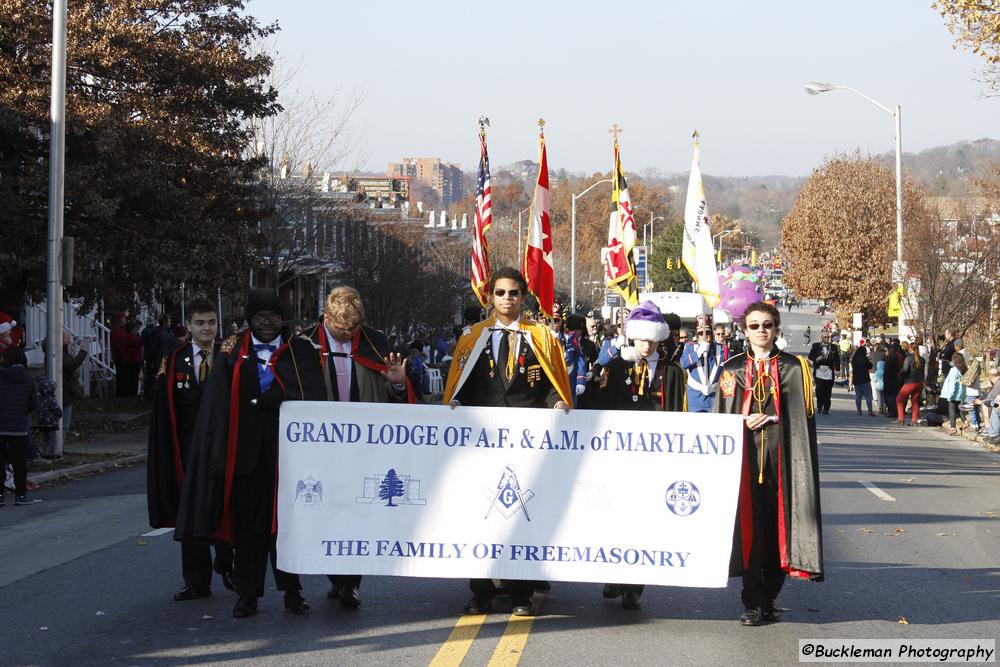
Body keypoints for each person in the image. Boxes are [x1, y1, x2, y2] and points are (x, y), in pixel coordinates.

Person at [270, 286, 413, 610]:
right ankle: (337, 576)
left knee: (359, 512)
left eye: (353, 328)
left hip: (364, 448)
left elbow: (398, 401)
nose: (348, 334)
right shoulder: (303, 345)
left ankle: (351, 583)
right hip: (321, 448)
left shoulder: (375, 342)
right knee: (327, 509)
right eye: (341, 328)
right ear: (326, 318)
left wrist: (396, 382)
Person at [443, 266, 572, 617]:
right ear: (490, 297)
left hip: (526, 444)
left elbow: (549, 386)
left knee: (521, 516)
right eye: (500, 292)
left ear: (523, 296)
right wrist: (454, 402)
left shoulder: (541, 338)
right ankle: (481, 591)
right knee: (480, 516)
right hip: (481, 443)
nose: (507, 299)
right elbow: (462, 386)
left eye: (514, 293)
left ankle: (521, 594)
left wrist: (557, 402)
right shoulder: (473, 338)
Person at [175, 289, 308, 619]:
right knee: (249, 529)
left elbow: (312, 395)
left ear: (282, 319)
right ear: (250, 320)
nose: (267, 322)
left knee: (285, 526)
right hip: (244, 457)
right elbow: (218, 405)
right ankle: (247, 595)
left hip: (287, 458)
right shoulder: (232, 354)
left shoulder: (299, 352)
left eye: (273, 316)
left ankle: (293, 591)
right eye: (260, 317)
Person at [713, 301, 823, 626]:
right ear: (744, 330)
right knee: (751, 532)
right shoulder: (732, 369)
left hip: (784, 462)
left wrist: (777, 421)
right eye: (754, 325)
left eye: (767, 325)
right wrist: (742, 422)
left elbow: (803, 422)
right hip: (745, 463)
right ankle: (753, 600)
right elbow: (722, 417)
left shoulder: (793, 368)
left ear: (776, 328)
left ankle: (770, 596)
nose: (761, 331)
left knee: (779, 532)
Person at [595, 301, 685, 610]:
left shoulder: (672, 372)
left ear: (660, 338)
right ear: (632, 337)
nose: (645, 346)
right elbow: (602, 407)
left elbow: (679, 414)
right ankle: (614, 575)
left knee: (644, 522)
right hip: (620, 457)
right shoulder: (619, 367)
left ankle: (634, 587)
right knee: (615, 518)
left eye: (651, 340)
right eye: (640, 339)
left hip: (655, 460)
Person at [147, 297, 235, 602]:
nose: (206, 328)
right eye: (200, 322)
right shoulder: (174, 358)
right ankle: (197, 581)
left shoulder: (231, 355)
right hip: (186, 448)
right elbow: (163, 403)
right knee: (192, 510)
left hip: (223, 444)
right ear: (189, 325)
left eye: (211, 322)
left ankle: (227, 562)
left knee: (226, 504)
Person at [0, 348, 39, 506]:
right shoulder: (29, 379)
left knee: (0, 461)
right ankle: (20, 495)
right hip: (19, 427)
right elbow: (32, 404)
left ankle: (0, 495)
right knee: (19, 462)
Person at [680, 314, 726, 413]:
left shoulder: (721, 349)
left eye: (707, 333)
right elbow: (683, 364)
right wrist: (697, 353)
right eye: (701, 334)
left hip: (714, 396)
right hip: (695, 397)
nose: (705, 337)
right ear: (697, 335)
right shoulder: (690, 347)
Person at [550, 301, 587, 406]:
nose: (552, 323)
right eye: (549, 320)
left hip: (567, 380)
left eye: (556, 320)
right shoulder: (541, 337)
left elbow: (579, 359)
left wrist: (580, 380)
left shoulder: (569, 337)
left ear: (561, 321)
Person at [111, 312, 142, 398]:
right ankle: (121, 395)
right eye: (124, 318)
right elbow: (118, 344)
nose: (125, 320)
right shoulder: (117, 330)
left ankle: (123, 394)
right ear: (120, 319)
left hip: (123, 357)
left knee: (125, 376)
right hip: (120, 357)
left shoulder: (121, 329)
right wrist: (123, 355)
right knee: (122, 376)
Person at [807, 331, 839, 415]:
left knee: (828, 391)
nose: (827, 338)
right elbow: (810, 356)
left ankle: (826, 408)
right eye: (825, 337)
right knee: (819, 390)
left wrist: (837, 370)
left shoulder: (834, 347)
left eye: (828, 337)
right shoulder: (816, 345)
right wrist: (816, 358)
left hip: (829, 370)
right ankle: (819, 407)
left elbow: (837, 358)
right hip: (819, 370)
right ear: (821, 338)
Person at [896, 341, 925, 426]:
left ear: (910, 348)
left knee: (899, 399)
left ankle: (901, 419)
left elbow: (905, 370)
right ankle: (914, 420)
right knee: (915, 401)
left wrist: (899, 372)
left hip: (910, 382)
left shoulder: (908, 358)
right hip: (919, 382)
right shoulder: (922, 359)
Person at [941, 353, 967, 435]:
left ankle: (953, 428)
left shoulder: (954, 370)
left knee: (951, 410)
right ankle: (965, 422)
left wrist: (950, 396)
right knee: (960, 410)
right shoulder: (964, 369)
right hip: (961, 393)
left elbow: (952, 384)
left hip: (954, 394)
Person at [849, 342, 875, 416]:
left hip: (856, 379)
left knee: (858, 396)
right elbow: (870, 366)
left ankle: (859, 411)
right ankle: (870, 411)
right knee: (868, 396)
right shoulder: (864, 359)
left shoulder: (854, 359)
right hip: (865, 379)